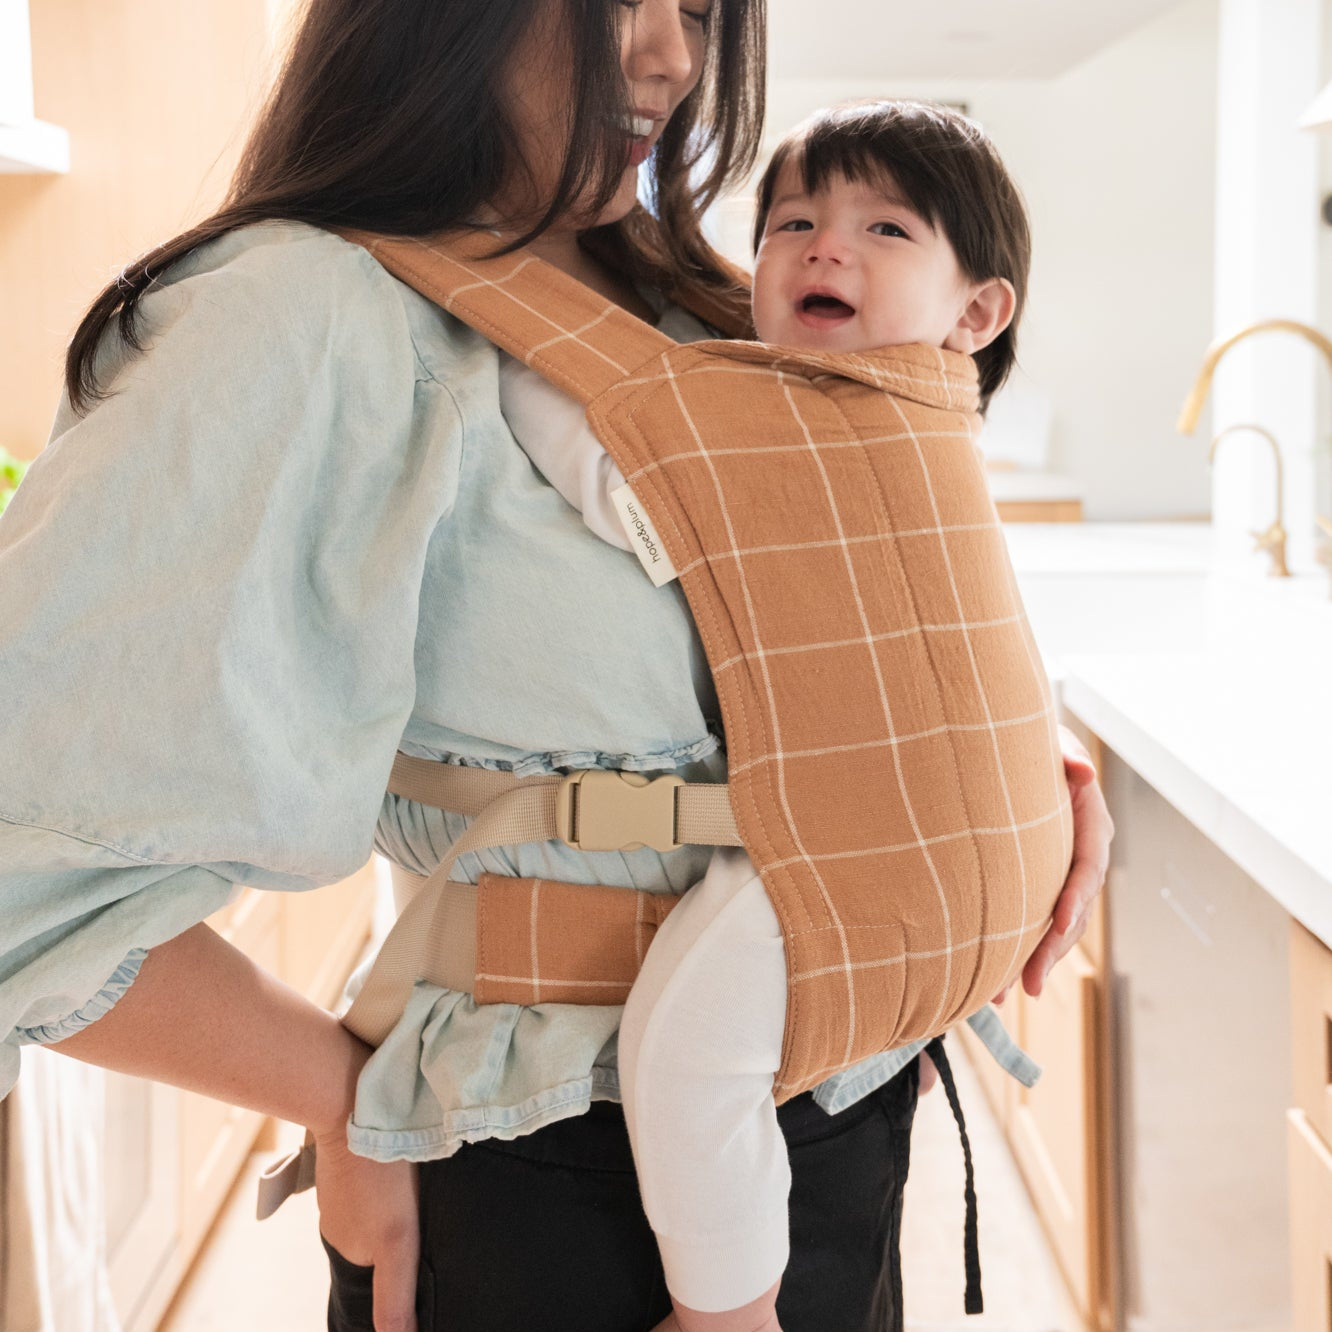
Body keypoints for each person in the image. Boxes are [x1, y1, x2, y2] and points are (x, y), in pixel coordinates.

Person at [0, 3, 1113, 1331]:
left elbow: (814, 610)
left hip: (845, 1115)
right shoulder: (299, 310)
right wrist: (348, 1102)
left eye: (697, 8)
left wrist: (998, 769)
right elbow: (26, 871)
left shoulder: (689, 296)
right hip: (560, 1191)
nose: (674, 57)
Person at [501, 97, 1062, 1331]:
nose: (825, 246)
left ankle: (731, 1309)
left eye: (885, 228)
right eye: (793, 222)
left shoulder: (819, 424)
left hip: (874, 837)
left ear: (977, 314)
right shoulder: (922, 427)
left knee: (687, 1052)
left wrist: (516, 351)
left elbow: (622, 478)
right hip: (979, 856)